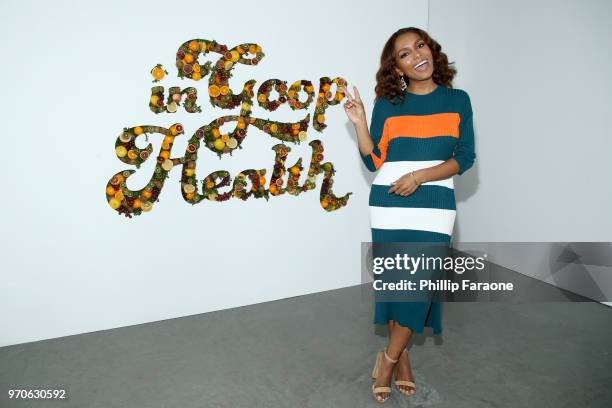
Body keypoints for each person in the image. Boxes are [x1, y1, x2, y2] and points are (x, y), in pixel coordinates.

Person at [340, 27, 476, 403]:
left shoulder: (457, 99)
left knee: (418, 289)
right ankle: (402, 363)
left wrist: (419, 176)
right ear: (396, 67)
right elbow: (373, 160)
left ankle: (386, 359)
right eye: (404, 53)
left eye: (419, 45)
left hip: (434, 203)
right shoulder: (389, 104)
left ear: (431, 50)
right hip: (390, 203)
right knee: (400, 286)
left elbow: (464, 157)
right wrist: (360, 123)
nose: (416, 54)